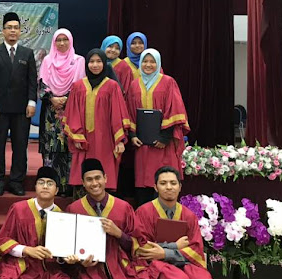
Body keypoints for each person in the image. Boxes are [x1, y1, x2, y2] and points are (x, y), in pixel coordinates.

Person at [66, 158, 198, 279]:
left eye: (98, 178)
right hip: (91, 271)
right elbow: (69, 246)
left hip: (122, 268)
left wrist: (119, 233)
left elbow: (138, 243)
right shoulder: (74, 209)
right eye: (89, 180)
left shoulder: (123, 208)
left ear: (105, 178)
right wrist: (80, 261)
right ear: (83, 182)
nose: (94, 183)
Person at [0, 166, 84, 279]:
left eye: (50, 183)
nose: (45, 186)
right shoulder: (18, 209)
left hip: (49, 273)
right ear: (35, 187)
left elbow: (62, 253)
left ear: (57, 190)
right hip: (21, 269)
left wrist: (66, 259)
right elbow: (3, 240)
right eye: (41, 182)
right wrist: (26, 250)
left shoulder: (62, 217)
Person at [136, 167, 227, 279]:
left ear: (180, 187)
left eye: (173, 183)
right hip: (155, 264)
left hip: (185, 262)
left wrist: (165, 253)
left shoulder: (189, 216)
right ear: (155, 187)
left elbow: (195, 249)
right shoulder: (144, 212)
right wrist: (175, 246)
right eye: (163, 183)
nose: (169, 187)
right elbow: (143, 246)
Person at [0, 12, 37, 197]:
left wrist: (32, 102)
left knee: (20, 147)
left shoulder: (27, 53)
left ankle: (16, 181)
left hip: (22, 109)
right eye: (9, 28)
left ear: (20, 31)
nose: (13, 31)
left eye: (16, 28)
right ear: (3, 31)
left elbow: (32, 81)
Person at [126, 49, 189, 206]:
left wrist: (165, 138)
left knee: (163, 179)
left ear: (158, 63)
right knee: (143, 182)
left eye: (152, 61)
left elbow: (175, 109)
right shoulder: (134, 85)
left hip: (162, 145)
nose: (148, 65)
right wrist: (133, 136)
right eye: (145, 61)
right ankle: (144, 215)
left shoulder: (168, 82)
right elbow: (129, 112)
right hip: (142, 145)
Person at [63, 49, 130, 193]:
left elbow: (118, 114)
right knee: (81, 173)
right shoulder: (78, 86)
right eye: (91, 61)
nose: (95, 65)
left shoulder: (112, 86)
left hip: (105, 139)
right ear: (86, 64)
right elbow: (72, 113)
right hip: (83, 139)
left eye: (99, 61)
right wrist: (76, 136)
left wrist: (119, 140)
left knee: (105, 171)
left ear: (105, 63)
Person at [38, 28, 85, 197]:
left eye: (65, 39)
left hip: (71, 111)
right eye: (58, 40)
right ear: (54, 42)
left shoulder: (78, 60)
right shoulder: (47, 60)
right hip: (50, 112)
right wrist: (52, 98)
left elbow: (81, 86)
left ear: (70, 41)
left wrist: (67, 98)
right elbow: (41, 84)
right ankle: (51, 185)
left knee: (68, 147)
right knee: (51, 148)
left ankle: (68, 187)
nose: (62, 43)